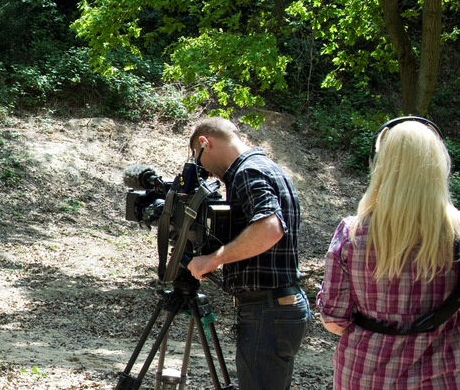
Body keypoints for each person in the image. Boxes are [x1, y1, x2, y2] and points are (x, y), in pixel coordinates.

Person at [316, 120, 460, 389]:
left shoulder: (352, 232)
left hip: (364, 374)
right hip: (444, 376)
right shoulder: (457, 233)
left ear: (379, 165)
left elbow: (334, 319)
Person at [186, 117, 310, 390]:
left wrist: (215, 258)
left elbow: (270, 228)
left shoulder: (248, 172)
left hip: (267, 310)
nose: (203, 169)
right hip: (280, 307)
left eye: (198, 158)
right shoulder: (268, 167)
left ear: (206, 143)